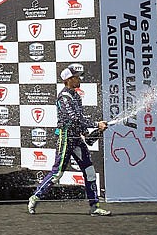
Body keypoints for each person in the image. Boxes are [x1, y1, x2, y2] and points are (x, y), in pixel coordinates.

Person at [27, 65, 111, 216]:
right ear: (69, 80)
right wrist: (96, 124)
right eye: (77, 77)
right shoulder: (64, 97)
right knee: (57, 174)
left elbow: (80, 119)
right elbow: (75, 118)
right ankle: (35, 197)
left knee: (90, 172)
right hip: (65, 137)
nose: (80, 79)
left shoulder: (76, 95)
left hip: (76, 138)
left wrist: (92, 132)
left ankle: (94, 207)